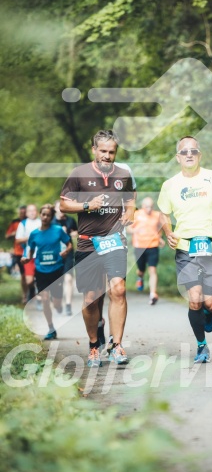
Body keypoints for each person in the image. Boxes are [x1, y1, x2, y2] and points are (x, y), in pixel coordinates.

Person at [60, 130, 136, 368]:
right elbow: (64, 204)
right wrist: (86, 205)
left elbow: (131, 197)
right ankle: (94, 345)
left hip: (114, 241)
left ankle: (117, 345)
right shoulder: (78, 174)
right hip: (87, 242)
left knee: (119, 289)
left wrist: (131, 211)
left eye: (111, 152)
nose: (107, 156)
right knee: (91, 298)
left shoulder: (123, 174)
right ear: (94, 150)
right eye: (103, 151)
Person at [158, 135, 212, 364]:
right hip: (185, 248)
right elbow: (163, 212)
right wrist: (168, 232)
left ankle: (208, 313)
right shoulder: (170, 185)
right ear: (177, 157)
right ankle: (202, 346)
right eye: (184, 152)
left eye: (193, 151)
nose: (189, 155)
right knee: (194, 300)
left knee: (211, 303)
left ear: (199, 155)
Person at [21, 204, 73, 340]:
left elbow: (69, 244)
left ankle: (58, 305)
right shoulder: (34, 234)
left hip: (56, 270)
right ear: (40, 215)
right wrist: (27, 258)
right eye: (43, 214)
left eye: (48, 215)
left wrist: (66, 252)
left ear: (51, 217)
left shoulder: (58, 230)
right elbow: (30, 250)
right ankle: (51, 328)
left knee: (56, 303)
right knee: (44, 299)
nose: (45, 217)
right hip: (41, 270)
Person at [127, 197, 165, 305]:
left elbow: (159, 228)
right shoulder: (136, 214)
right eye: (147, 206)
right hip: (139, 246)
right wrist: (135, 230)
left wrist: (160, 238)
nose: (149, 209)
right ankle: (140, 277)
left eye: (151, 207)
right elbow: (129, 228)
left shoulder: (157, 215)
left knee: (152, 269)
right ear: (143, 206)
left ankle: (153, 294)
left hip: (153, 245)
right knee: (141, 269)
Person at [52, 200, 78, 316]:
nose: (62, 209)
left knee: (68, 279)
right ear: (55, 209)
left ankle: (68, 305)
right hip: (54, 254)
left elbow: (76, 232)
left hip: (68, 253)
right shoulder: (51, 221)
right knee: (56, 282)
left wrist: (73, 234)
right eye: (59, 207)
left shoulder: (70, 220)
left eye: (63, 207)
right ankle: (57, 303)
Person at [15, 204, 41, 303]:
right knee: (29, 280)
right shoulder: (23, 223)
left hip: (40, 254)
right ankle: (32, 291)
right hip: (29, 255)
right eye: (30, 211)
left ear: (37, 212)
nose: (32, 212)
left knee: (40, 277)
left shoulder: (41, 222)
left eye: (34, 210)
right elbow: (18, 240)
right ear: (26, 213)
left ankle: (40, 297)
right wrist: (30, 237)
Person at [5, 205, 27, 301]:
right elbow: (7, 236)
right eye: (21, 212)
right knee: (23, 274)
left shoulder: (30, 222)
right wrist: (14, 233)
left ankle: (32, 291)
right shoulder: (14, 222)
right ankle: (25, 295)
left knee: (31, 274)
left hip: (30, 251)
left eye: (24, 212)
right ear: (19, 213)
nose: (22, 214)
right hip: (18, 252)